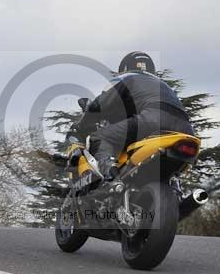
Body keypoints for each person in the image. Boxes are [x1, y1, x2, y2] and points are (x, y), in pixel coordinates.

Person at [69, 51, 194, 180]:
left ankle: (111, 176)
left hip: (152, 120)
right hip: (187, 130)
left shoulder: (127, 77)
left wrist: (81, 126)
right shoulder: (164, 85)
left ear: (124, 68)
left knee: (99, 137)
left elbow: (98, 105)